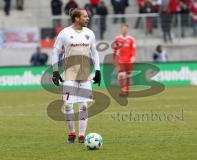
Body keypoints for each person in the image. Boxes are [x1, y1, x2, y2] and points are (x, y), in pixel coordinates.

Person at [51, 8, 101, 143]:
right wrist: (55, 71)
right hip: (69, 75)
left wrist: (97, 71)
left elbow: (95, 52)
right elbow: (55, 52)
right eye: (85, 16)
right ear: (77, 18)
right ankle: (71, 132)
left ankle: (82, 135)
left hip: (85, 75)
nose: (88, 18)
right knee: (68, 105)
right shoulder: (64, 33)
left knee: (83, 105)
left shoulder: (90, 33)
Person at [113, 24, 136, 97]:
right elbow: (115, 49)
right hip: (121, 60)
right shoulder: (117, 39)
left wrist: (133, 57)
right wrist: (114, 59)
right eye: (123, 29)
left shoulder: (131, 39)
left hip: (129, 61)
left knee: (128, 76)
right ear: (121, 30)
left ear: (127, 30)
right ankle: (123, 91)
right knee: (121, 75)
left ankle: (127, 91)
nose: (124, 30)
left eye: (126, 29)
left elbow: (133, 49)